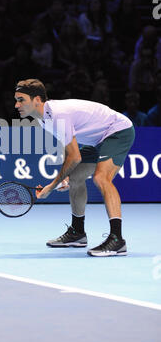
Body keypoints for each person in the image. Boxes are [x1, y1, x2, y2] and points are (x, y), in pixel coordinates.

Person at [14, 78, 135, 257]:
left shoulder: (57, 114)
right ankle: (77, 233)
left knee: (101, 178)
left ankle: (117, 240)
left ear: (37, 100)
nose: (16, 105)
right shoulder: (42, 119)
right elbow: (68, 146)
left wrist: (52, 185)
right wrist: (65, 177)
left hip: (117, 131)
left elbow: (75, 156)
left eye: (21, 99)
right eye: (16, 100)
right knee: (76, 178)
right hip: (96, 140)